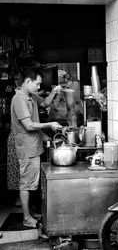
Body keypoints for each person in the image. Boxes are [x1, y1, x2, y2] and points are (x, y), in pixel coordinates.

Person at [10, 67, 62, 228]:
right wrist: (50, 125)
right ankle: (26, 218)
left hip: (34, 146)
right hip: (26, 148)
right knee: (26, 184)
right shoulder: (19, 99)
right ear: (27, 82)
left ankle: (30, 213)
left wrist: (54, 91)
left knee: (31, 183)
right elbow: (29, 125)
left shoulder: (31, 96)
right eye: (37, 84)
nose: (39, 87)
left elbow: (45, 102)